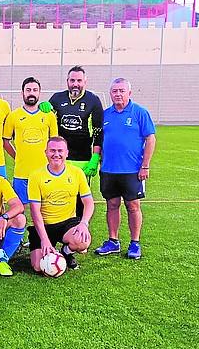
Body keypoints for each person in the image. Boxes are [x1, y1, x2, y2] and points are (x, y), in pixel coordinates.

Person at [94, 77, 157, 260]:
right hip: (109, 170)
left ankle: (135, 243)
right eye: (115, 91)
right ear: (110, 94)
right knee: (112, 205)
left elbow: (150, 139)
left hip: (132, 171)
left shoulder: (140, 112)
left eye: (122, 91)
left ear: (129, 92)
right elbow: (99, 140)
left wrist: (145, 166)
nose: (118, 94)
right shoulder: (105, 115)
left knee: (133, 206)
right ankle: (113, 241)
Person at [27, 136, 94, 272]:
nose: (56, 154)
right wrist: (44, 239)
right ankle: (48, 248)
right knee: (38, 267)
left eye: (60, 151)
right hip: (44, 226)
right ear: (46, 152)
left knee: (82, 242)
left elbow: (88, 202)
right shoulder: (35, 176)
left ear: (66, 153)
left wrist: (83, 223)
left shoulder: (77, 173)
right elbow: (35, 211)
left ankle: (66, 252)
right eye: (52, 151)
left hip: (67, 223)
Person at [3, 77, 58, 206]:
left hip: (44, 172)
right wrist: (17, 156)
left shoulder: (49, 115)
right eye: (28, 90)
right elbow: (5, 141)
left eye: (35, 90)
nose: (31, 93)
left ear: (39, 93)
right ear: (22, 93)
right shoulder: (14, 116)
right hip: (21, 173)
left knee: (45, 209)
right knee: (19, 210)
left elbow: (54, 142)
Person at [48, 66, 104, 178]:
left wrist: (95, 157)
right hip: (59, 157)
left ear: (85, 82)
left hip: (83, 159)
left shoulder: (93, 100)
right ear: (67, 81)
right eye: (72, 80)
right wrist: (41, 107)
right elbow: (46, 123)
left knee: (81, 189)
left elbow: (98, 132)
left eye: (79, 80)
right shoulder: (57, 98)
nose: (75, 84)